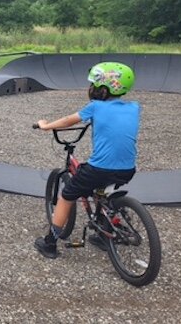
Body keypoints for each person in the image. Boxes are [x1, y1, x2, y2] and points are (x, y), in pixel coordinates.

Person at [34, 62, 139, 259]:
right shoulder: (134, 108)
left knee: (66, 196)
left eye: (93, 85)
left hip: (100, 169)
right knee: (102, 191)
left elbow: (67, 121)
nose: (89, 88)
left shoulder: (96, 107)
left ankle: (50, 243)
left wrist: (45, 126)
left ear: (103, 89)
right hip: (127, 169)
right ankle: (103, 232)